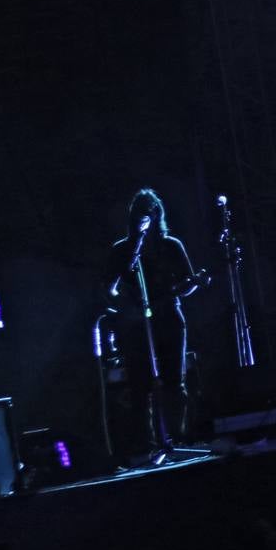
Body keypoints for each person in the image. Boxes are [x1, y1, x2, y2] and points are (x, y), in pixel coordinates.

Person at [101, 188, 201, 462]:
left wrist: (187, 287)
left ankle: (176, 440)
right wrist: (128, 299)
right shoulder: (122, 250)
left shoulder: (171, 246)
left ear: (158, 215)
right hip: (136, 326)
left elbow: (188, 283)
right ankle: (147, 446)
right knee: (140, 386)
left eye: (152, 213)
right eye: (142, 214)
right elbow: (108, 289)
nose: (147, 219)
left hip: (169, 318)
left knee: (173, 382)